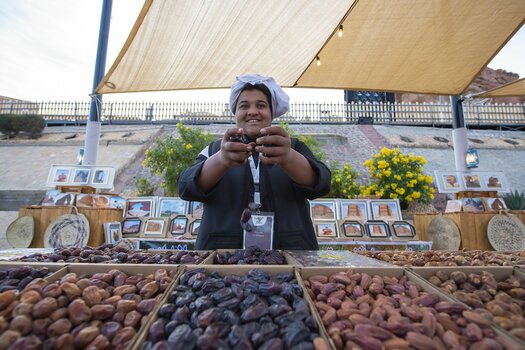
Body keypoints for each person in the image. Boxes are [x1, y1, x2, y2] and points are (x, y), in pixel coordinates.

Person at [178, 74, 331, 250]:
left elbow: (322, 183)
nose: (252, 111)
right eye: (244, 106)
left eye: (261, 105)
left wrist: (289, 158)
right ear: (235, 113)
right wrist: (221, 160)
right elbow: (186, 187)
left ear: (271, 112)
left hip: (291, 253)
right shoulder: (214, 150)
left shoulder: (294, 147)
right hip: (223, 256)